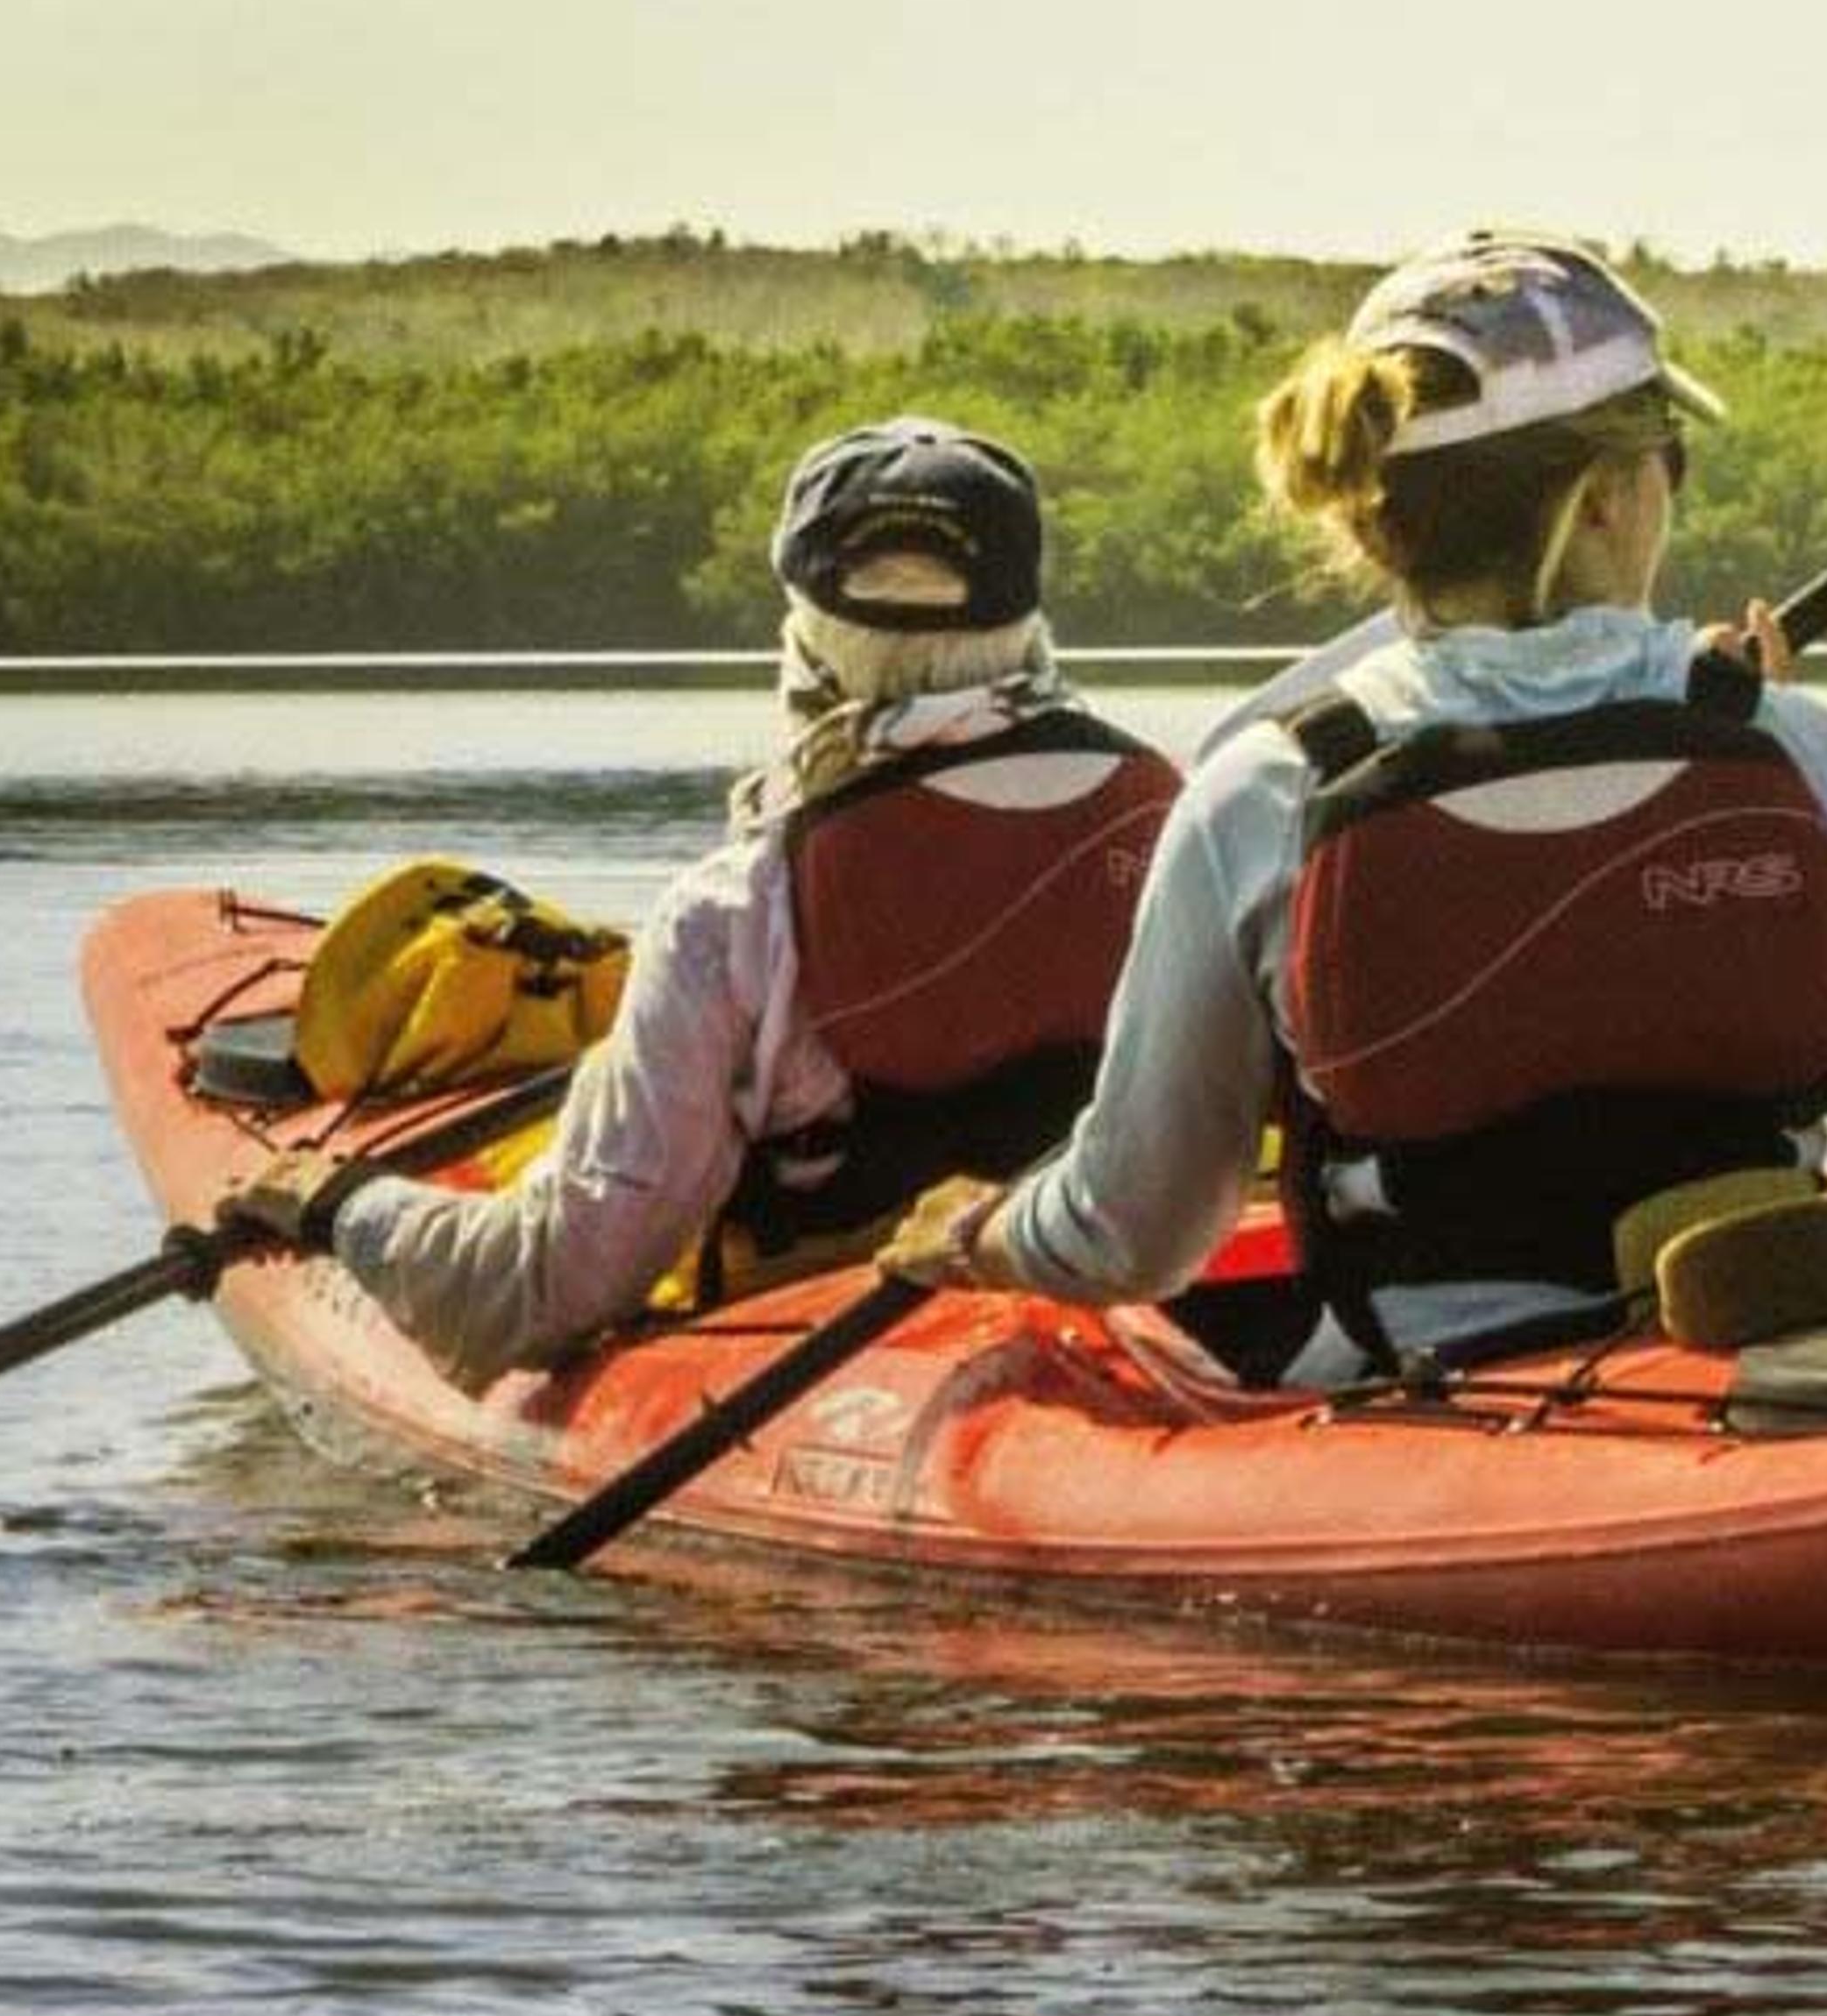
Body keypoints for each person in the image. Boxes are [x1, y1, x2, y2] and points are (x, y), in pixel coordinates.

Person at [879, 230, 1827, 1378]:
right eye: (1670, 458)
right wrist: (1752, 759)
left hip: (1412, 1377)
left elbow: (1135, 1230)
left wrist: (987, 1232)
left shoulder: (1267, 790)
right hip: (1764, 1344)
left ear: (1374, 522)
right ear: (1613, 499)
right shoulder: (1794, 745)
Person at [224, 415, 1182, 1388]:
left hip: (856, 1358)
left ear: (808, 644)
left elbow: (552, 1285)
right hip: (1158, 1318)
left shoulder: (736, 911)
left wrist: (341, 1207)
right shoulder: (1184, 821)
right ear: (1027, 622)